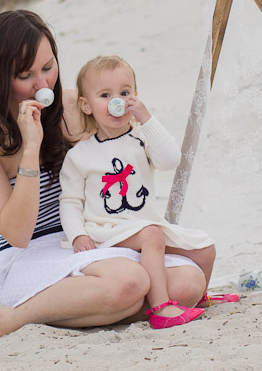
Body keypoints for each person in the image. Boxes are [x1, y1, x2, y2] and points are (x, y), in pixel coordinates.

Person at [0, 10, 216, 342]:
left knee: (189, 282)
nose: (43, 84)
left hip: (88, 239)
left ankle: (96, 304)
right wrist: (31, 148)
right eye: (25, 75)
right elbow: (18, 233)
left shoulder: (74, 105)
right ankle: (12, 318)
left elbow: (124, 150)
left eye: (48, 68)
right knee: (129, 283)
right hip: (29, 255)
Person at [60, 55, 223, 329]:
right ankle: (161, 309)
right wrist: (78, 234)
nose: (117, 101)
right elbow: (70, 201)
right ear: (86, 105)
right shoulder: (81, 155)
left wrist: (147, 119)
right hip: (106, 230)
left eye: (125, 93)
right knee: (152, 235)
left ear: (135, 96)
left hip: (143, 226)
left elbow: (171, 159)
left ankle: (199, 298)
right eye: (105, 95)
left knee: (204, 248)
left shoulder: (143, 138)